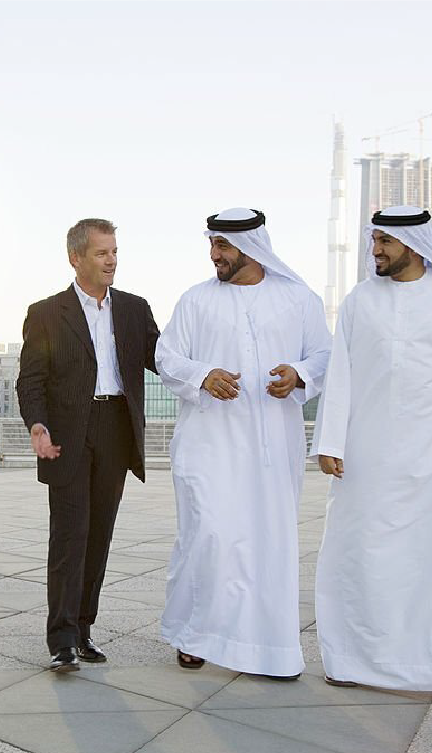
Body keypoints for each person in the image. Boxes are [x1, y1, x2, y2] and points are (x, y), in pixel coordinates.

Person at [313, 206, 432, 714]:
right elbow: (343, 376)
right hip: (369, 456)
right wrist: (330, 443)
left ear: (412, 245)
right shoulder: (359, 301)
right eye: (373, 240)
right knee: (363, 555)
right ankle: (354, 660)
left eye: (383, 242)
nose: (375, 250)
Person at [156, 207, 331, 678]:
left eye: (222, 246)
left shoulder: (298, 298)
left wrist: (300, 376)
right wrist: (203, 375)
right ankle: (195, 635)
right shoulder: (195, 300)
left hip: (274, 446)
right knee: (209, 534)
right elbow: (167, 355)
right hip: (208, 444)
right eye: (212, 244)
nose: (214, 255)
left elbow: (324, 354)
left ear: (250, 248)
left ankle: (270, 649)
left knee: (267, 541)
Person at [16, 218, 159, 671]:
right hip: (68, 435)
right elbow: (31, 380)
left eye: (114, 251)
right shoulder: (46, 313)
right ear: (76, 257)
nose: (111, 259)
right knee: (69, 537)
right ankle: (60, 638)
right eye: (101, 252)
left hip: (116, 428)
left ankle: (83, 630)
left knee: (99, 536)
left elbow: (165, 358)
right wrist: (38, 426)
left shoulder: (135, 309)